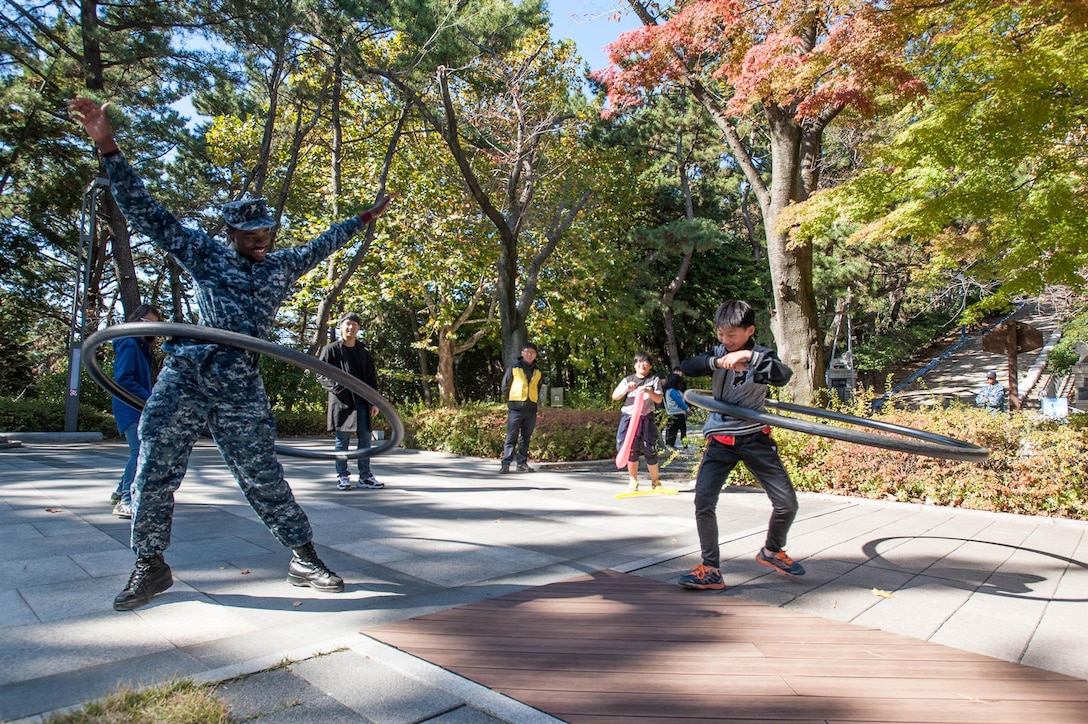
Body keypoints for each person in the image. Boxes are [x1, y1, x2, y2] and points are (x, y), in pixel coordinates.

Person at [68, 96, 394, 611]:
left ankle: (302, 556)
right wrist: (107, 146)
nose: (262, 239)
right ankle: (150, 565)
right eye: (252, 234)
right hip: (190, 372)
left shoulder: (280, 266)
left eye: (266, 231)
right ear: (232, 233)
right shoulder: (205, 253)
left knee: (262, 472)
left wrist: (364, 217)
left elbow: (325, 242)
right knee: (156, 464)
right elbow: (146, 211)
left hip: (240, 381)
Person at [676, 300, 804, 591]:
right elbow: (687, 367)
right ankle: (710, 569)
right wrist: (718, 361)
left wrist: (751, 358)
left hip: (754, 437)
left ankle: (772, 551)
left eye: (731, 335)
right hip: (720, 440)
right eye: (721, 334)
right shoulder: (718, 352)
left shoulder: (762, 356)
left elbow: (783, 376)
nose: (725, 340)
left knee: (787, 504)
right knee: (703, 501)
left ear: (749, 331)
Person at [318, 312, 384, 490]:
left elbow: (371, 378)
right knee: (342, 441)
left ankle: (365, 476)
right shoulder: (331, 349)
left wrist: (374, 401)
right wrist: (338, 389)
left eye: (354, 325)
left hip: (363, 402)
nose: (350, 328)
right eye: (347, 324)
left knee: (365, 439)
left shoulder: (364, 351)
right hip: (342, 403)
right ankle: (342, 475)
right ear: (340, 326)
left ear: (359, 328)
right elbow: (321, 374)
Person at [110, 304, 162, 519]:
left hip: (137, 406)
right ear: (135, 320)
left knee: (139, 450)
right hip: (129, 406)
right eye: (145, 322)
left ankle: (118, 491)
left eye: (155, 326)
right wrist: (150, 398)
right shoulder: (130, 344)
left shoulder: (141, 349)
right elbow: (123, 379)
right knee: (139, 451)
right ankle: (126, 499)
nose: (149, 328)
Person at [611, 351, 664, 491]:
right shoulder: (628, 380)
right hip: (629, 418)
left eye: (646, 362)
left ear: (650, 366)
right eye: (639, 362)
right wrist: (625, 389)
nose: (642, 365)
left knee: (649, 448)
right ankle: (633, 481)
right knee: (631, 449)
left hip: (646, 417)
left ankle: (655, 481)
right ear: (635, 365)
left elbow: (659, 399)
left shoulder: (653, 380)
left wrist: (648, 391)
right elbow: (615, 396)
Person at [500, 343, 542, 473]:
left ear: (535, 355)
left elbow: (538, 387)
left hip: (531, 409)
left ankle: (522, 463)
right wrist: (512, 399)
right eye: (527, 351)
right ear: (522, 353)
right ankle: (506, 464)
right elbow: (505, 386)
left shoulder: (538, 371)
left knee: (526, 437)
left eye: (532, 352)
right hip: (516, 408)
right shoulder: (514, 368)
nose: (530, 354)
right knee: (511, 437)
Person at [662, 367, 690, 450]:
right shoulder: (673, 391)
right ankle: (685, 445)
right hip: (678, 413)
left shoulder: (668, 391)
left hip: (671, 413)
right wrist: (687, 408)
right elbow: (680, 402)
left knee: (672, 430)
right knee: (682, 430)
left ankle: (670, 445)